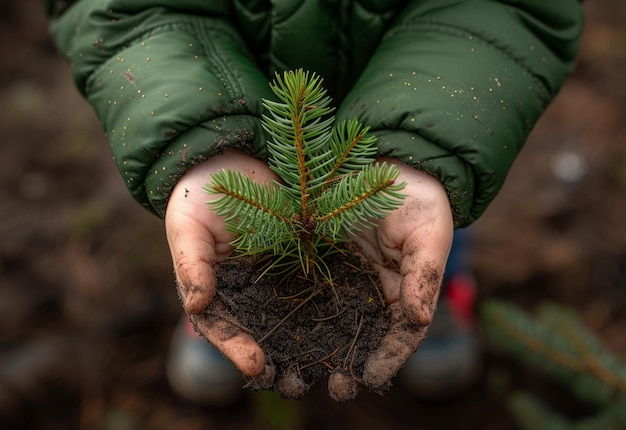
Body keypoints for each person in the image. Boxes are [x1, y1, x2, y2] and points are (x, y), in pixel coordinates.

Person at [45, 0, 585, 402]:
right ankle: (213, 297)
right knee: (215, 229)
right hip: (231, 100)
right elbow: (118, 12)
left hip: (417, 114)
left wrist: (425, 150)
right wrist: (200, 140)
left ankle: (437, 298)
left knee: (427, 224)